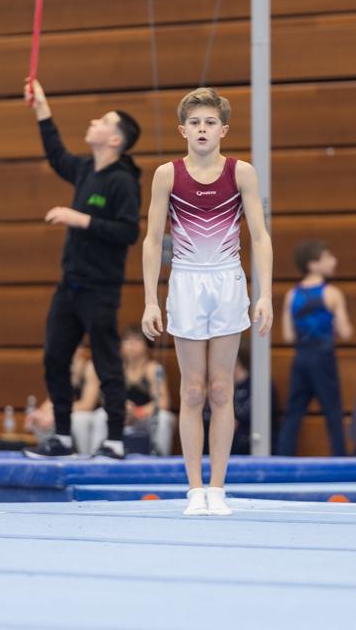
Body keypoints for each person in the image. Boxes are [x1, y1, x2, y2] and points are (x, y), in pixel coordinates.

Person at [142, 87, 273, 515]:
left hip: (227, 280)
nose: (202, 129)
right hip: (185, 282)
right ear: (183, 130)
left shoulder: (241, 173)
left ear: (223, 130)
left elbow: (260, 236)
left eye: (210, 122)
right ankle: (194, 488)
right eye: (195, 122)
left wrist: (264, 294)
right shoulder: (166, 174)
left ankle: (217, 488)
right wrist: (150, 300)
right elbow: (151, 240)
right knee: (193, 390)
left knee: (221, 389)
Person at [22, 79, 141, 460]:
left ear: (116, 140)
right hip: (69, 285)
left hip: (100, 288)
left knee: (107, 362)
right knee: (55, 357)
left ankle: (115, 440)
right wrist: (42, 108)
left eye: (104, 120)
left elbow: (128, 231)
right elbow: (57, 155)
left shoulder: (123, 181)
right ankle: (62, 437)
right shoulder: (87, 168)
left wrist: (81, 218)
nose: (94, 122)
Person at [277, 239, 353, 456]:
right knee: (332, 411)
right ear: (313, 264)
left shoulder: (293, 295)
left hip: (301, 357)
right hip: (323, 355)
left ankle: (283, 458)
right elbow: (346, 332)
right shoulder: (332, 294)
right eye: (328, 257)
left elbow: (288, 336)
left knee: (294, 412)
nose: (334, 260)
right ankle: (340, 459)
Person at [202, 337, 279, 455]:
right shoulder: (220, 387)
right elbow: (206, 416)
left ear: (234, 360)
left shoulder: (261, 385)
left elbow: (258, 420)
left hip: (249, 444)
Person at [24, 346, 107, 455]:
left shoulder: (90, 368)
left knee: (79, 419)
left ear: (80, 350)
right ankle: (52, 453)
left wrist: (55, 414)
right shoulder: (62, 369)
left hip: (93, 415)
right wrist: (39, 414)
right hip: (72, 412)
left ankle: (87, 454)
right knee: (41, 421)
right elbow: (53, 400)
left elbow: (87, 404)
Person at [121, 325, 176, 456]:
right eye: (127, 340)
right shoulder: (116, 370)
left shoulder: (153, 369)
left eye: (137, 340)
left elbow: (163, 402)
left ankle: (160, 458)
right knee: (100, 415)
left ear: (146, 346)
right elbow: (105, 399)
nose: (131, 344)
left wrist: (138, 412)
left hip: (145, 418)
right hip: (123, 417)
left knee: (164, 418)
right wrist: (122, 409)